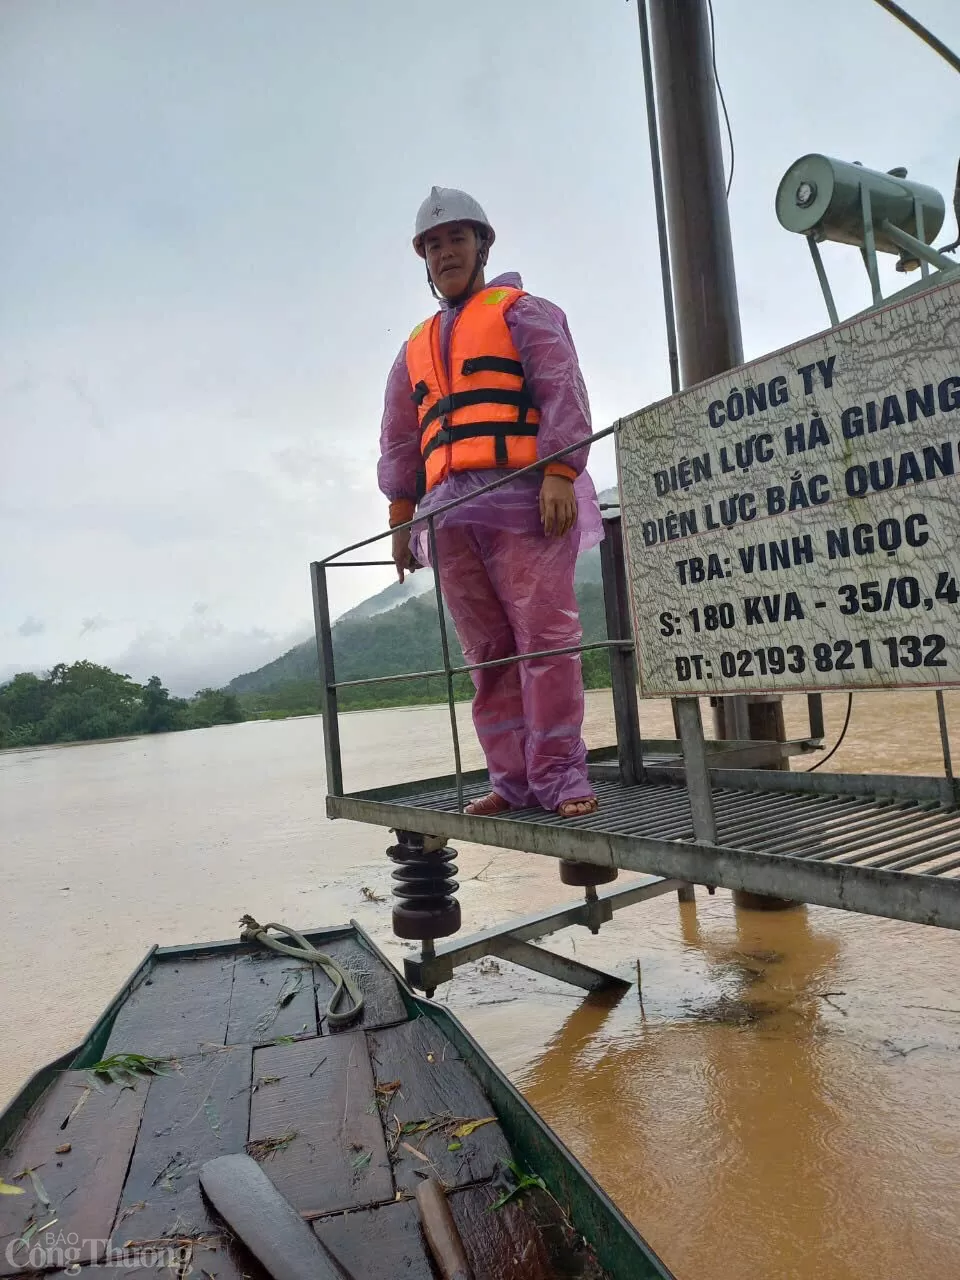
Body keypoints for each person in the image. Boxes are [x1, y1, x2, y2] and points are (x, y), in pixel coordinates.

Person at [377, 187, 603, 818]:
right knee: (488, 653)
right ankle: (512, 782)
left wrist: (559, 471)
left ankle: (560, 775)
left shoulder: (522, 310)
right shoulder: (413, 348)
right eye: (433, 245)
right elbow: (400, 438)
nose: (446, 252)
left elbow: (563, 389)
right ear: (423, 260)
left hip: (527, 498)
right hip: (447, 515)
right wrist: (401, 517)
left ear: (481, 244)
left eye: (457, 239)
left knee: (546, 639)